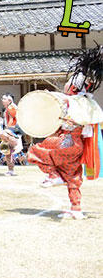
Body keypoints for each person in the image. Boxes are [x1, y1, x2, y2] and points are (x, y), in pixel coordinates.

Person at [27, 46, 103, 219]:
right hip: (78, 146)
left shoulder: (71, 100)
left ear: (73, 87)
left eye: (68, 84)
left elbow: (60, 99)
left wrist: (49, 96)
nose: (66, 85)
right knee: (73, 176)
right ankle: (76, 209)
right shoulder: (88, 103)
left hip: (66, 141)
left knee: (36, 151)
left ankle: (54, 176)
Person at [0, 94, 21, 176]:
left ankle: (13, 145)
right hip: (11, 132)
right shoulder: (7, 109)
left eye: (4, 99)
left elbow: (13, 120)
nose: (2, 100)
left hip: (13, 131)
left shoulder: (12, 108)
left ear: (9, 101)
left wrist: (8, 129)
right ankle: (11, 170)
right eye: (2, 98)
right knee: (8, 152)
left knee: (3, 136)